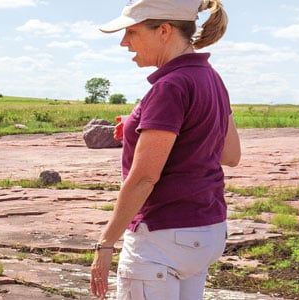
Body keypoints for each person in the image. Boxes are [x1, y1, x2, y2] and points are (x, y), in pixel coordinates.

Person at [89, 1, 240, 299]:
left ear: (164, 31)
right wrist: (139, 126)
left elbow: (145, 177)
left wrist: (105, 244)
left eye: (131, 31)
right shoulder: (210, 77)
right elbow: (230, 153)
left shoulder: (170, 86)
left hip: (162, 238)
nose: (124, 42)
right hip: (206, 232)